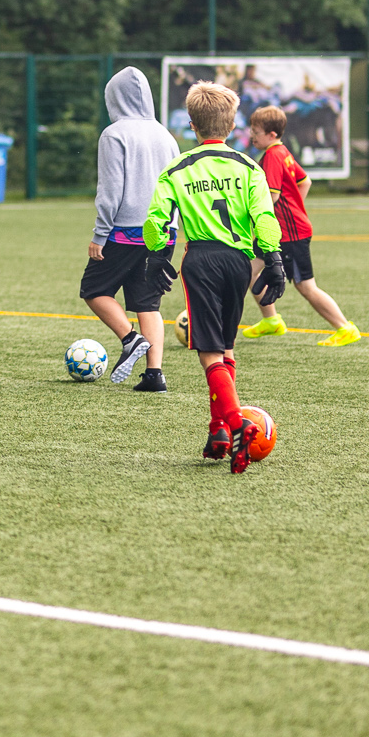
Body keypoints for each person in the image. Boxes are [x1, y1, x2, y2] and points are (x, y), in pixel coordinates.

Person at [142, 81, 285, 474]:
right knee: (226, 346)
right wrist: (273, 260)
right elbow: (264, 219)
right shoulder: (249, 167)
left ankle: (236, 421)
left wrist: (156, 260)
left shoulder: (177, 169)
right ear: (234, 122)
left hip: (201, 259)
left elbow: (157, 221)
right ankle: (218, 430)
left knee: (209, 352)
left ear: (191, 125)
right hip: (239, 262)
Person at [81, 66, 177, 391]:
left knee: (94, 289)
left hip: (125, 230)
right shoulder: (166, 134)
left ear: (114, 98)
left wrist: (99, 235)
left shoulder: (114, 134)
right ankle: (155, 375)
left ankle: (130, 338)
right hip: (164, 230)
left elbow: (110, 191)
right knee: (148, 303)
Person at [239, 104, 362, 346]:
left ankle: (345, 327)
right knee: (249, 270)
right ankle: (271, 321)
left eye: (256, 131)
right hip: (282, 230)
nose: (251, 135)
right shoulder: (283, 151)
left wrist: (252, 213)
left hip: (289, 234)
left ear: (271, 134)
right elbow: (305, 182)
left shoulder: (273, 156)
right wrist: (294, 208)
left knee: (305, 286)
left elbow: (271, 197)